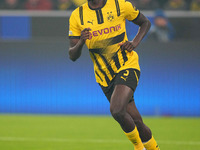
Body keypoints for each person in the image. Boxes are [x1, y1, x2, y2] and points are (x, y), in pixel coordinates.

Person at [68, 0, 160, 150]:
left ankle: (138, 148)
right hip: (104, 76)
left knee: (116, 110)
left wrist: (135, 42)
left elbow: (145, 23)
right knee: (136, 120)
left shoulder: (120, 5)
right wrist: (81, 42)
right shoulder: (77, 15)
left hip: (127, 64)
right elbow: (72, 55)